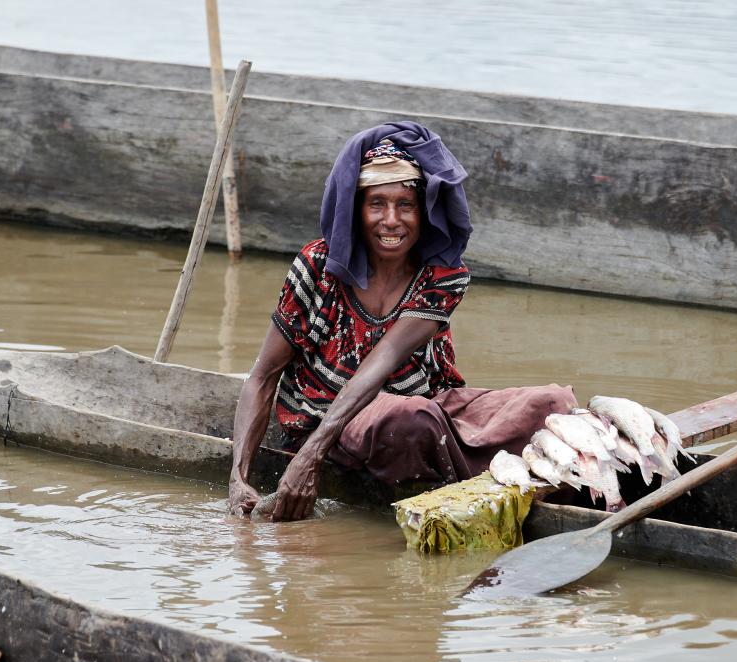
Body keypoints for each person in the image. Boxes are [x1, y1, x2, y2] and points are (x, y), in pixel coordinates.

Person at [228, 121, 577, 520]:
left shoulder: (443, 276)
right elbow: (263, 375)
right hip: (334, 423)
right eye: (376, 204)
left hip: (422, 408)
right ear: (357, 211)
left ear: (423, 212)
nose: (391, 220)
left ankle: (483, 463)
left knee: (553, 402)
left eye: (405, 205)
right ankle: (484, 474)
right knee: (412, 421)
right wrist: (239, 478)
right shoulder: (317, 266)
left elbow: (384, 361)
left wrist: (308, 460)